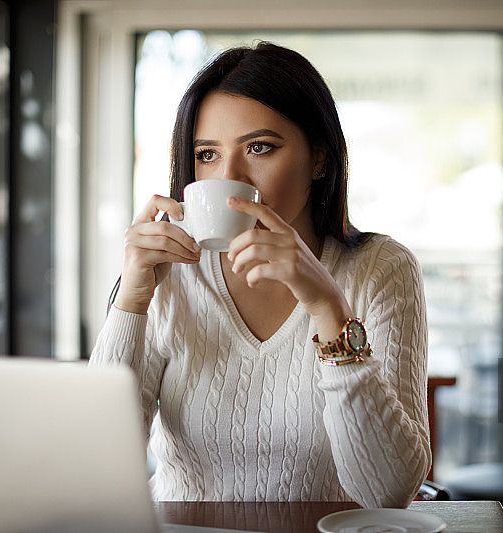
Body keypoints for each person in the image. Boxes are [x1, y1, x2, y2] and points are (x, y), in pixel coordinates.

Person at [90, 42, 430, 508]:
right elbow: (98, 464)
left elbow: (388, 492)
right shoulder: (170, 273)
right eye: (207, 155)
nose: (228, 177)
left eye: (259, 147)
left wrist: (327, 307)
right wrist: (130, 300)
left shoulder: (382, 269)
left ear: (319, 160)